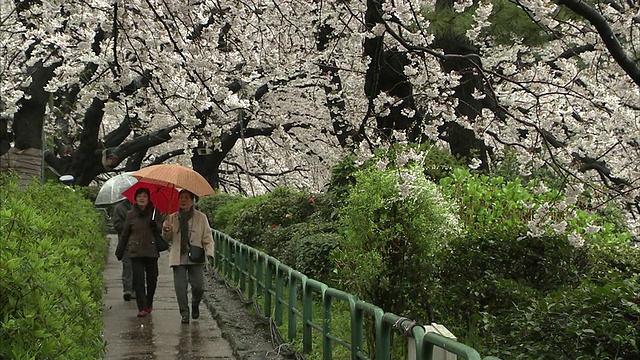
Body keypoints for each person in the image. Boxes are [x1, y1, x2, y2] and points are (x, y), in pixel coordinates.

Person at [162, 189, 214, 324]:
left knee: (199, 287)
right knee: (180, 288)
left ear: (192, 201)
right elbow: (167, 239)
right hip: (178, 256)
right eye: (181, 198)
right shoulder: (172, 217)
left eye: (186, 198)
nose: (183, 200)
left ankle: (195, 304)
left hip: (195, 256)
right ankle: (184, 313)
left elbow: (207, 237)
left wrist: (209, 252)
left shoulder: (201, 217)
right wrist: (166, 230)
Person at [115, 187, 163, 318]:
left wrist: (156, 225)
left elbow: (160, 228)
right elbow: (125, 233)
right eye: (139, 196)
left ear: (148, 199)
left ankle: (149, 302)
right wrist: (120, 250)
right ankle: (141, 307)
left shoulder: (154, 212)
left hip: (151, 251)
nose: (142, 198)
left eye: (145, 196)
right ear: (135, 199)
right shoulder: (131, 214)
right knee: (138, 280)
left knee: (152, 279)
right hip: (135, 251)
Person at [112, 199, 134, 301]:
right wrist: (128, 225)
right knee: (128, 265)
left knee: (139, 267)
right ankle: (128, 289)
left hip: (141, 242)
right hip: (126, 242)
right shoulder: (120, 207)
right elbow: (117, 225)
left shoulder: (145, 206)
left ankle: (137, 289)